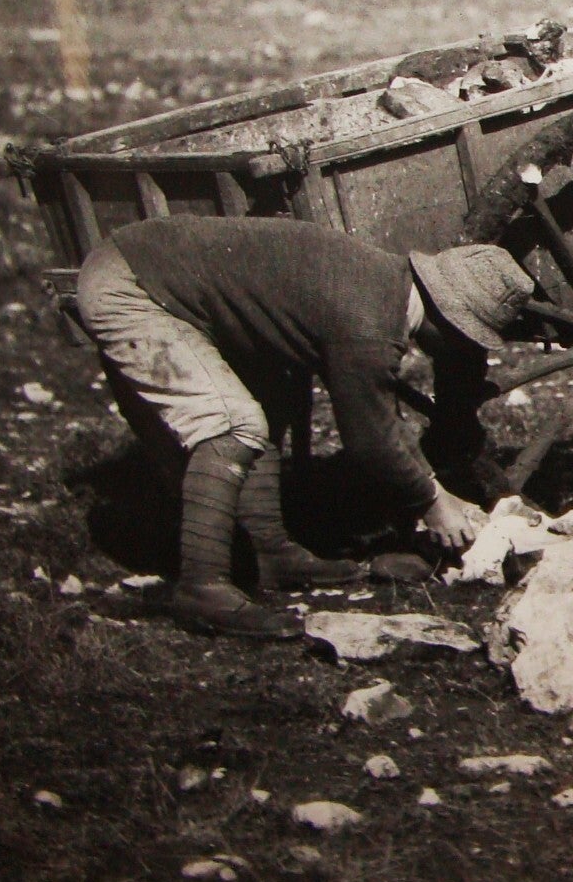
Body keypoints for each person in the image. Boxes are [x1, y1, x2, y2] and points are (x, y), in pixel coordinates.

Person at [74, 216, 532, 638]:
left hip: (147, 262)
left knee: (265, 401)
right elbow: (370, 439)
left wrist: (435, 490)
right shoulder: (368, 325)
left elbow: (382, 419)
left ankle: (270, 552)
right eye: (464, 339)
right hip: (132, 286)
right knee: (233, 423)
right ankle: (202, 585)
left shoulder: (382, 282)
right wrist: (433, 501)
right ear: (446, 318)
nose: (457, 352)